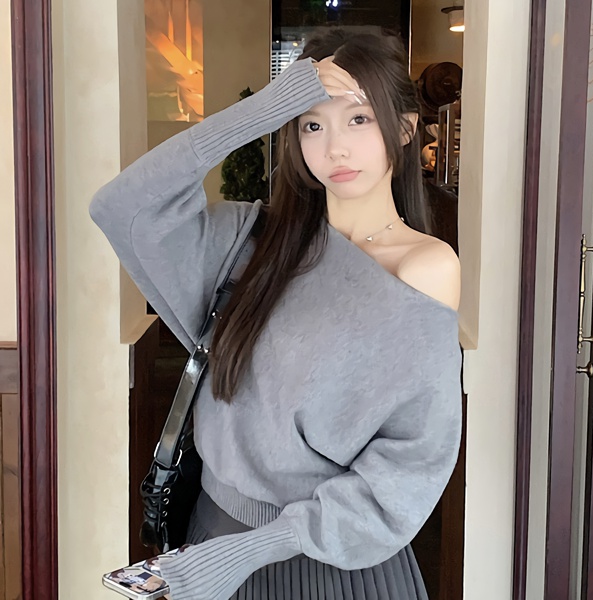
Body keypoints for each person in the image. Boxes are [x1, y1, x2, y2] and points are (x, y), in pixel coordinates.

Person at [90, 28, 462, 600]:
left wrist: (251, 551)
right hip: (211, 538)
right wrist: (265, 109)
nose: (335, 147)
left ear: (406, 128)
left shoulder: (423, 268)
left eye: (359, 119)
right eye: (312, 124)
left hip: (325, 565)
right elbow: (122, 207)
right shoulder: (250, 241)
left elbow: (409, 464)